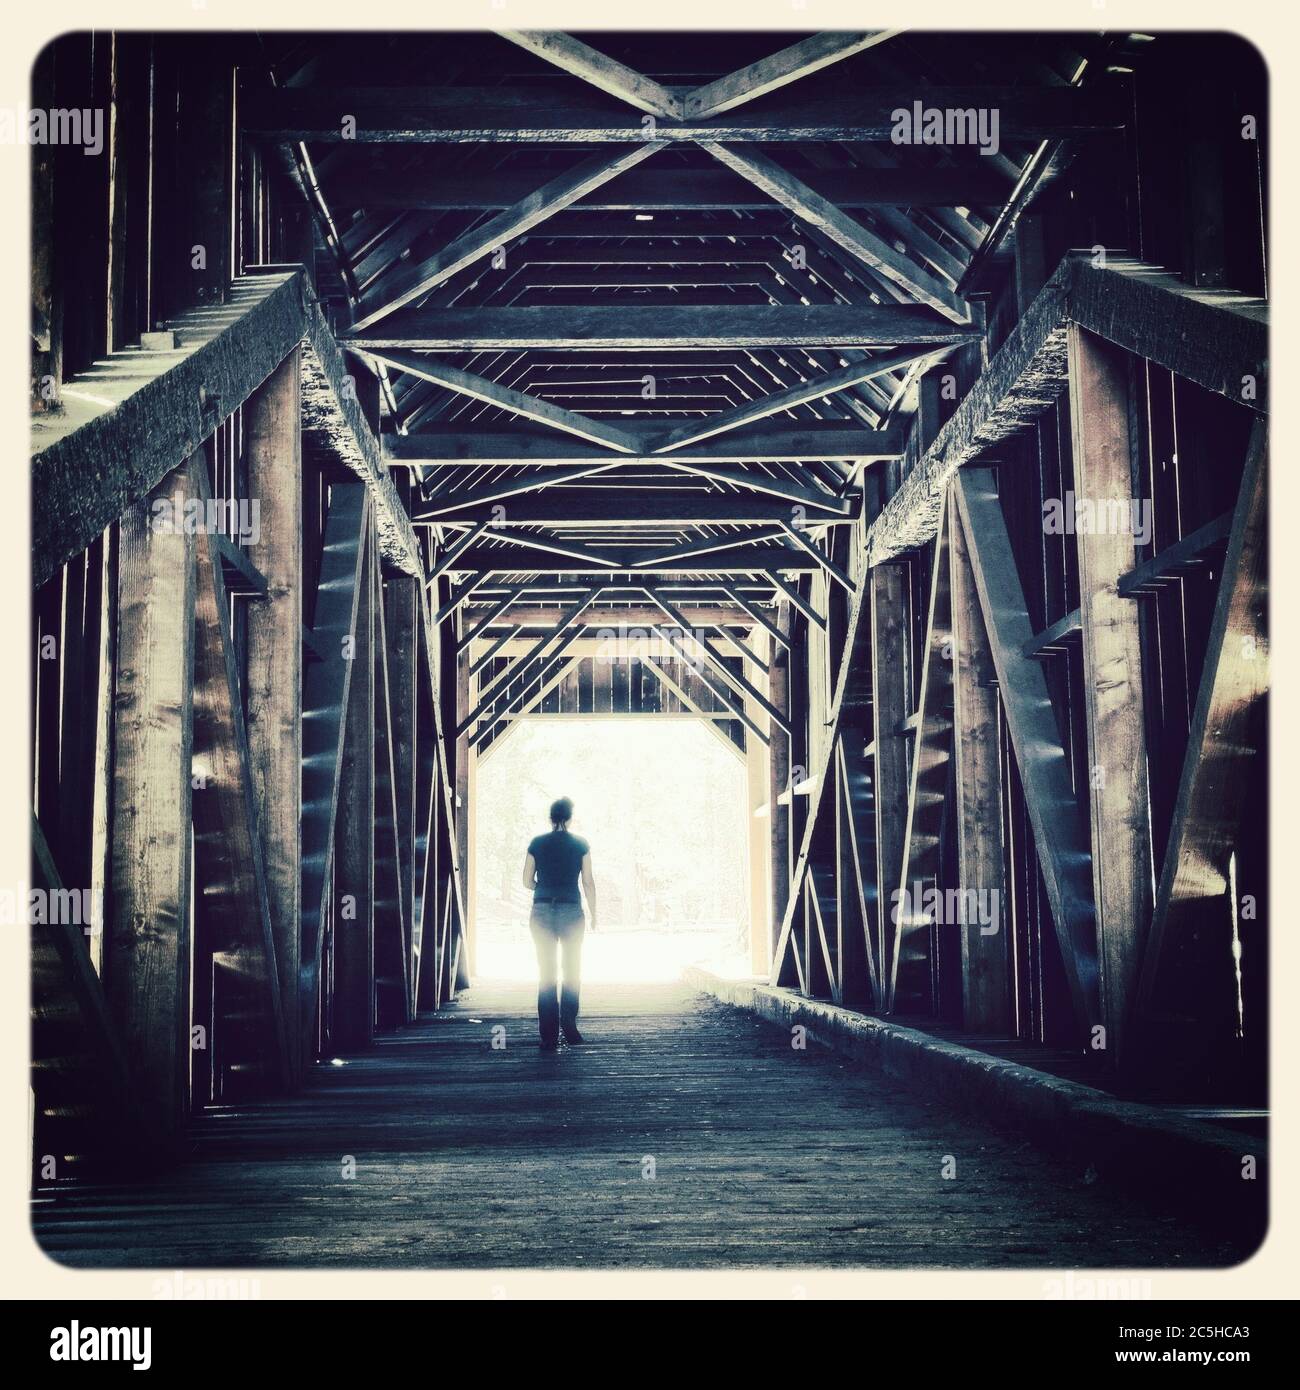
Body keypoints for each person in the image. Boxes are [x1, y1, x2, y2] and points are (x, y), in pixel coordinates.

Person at [522, 797, 596, 1051]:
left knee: (547, 972)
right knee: (572, 968)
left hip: (542, 910)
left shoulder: (537, 843)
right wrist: (594, 913)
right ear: (570, 817)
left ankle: (549, 1035)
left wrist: (542, 887)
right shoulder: (580, 844)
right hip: (571, 911)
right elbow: (587, 881)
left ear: (551, 817)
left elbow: (526, 881)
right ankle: (570, 1026)